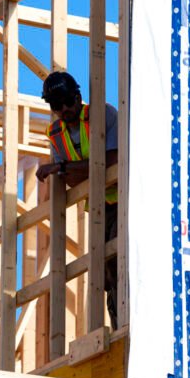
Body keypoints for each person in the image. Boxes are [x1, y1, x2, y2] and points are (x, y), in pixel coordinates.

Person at [36, 71, 120, 328]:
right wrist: (74, 170)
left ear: (78, 96)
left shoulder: (102, 115)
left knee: (121, 262)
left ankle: (128, 326)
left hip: (124, 200)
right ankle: (117, 326)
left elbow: (113, 161)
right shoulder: (56, 133)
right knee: (105, 273)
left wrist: (62, 169)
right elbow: (75, 181)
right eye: (55, 105)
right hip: (98, 208)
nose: (62, 109)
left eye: (66, 101)